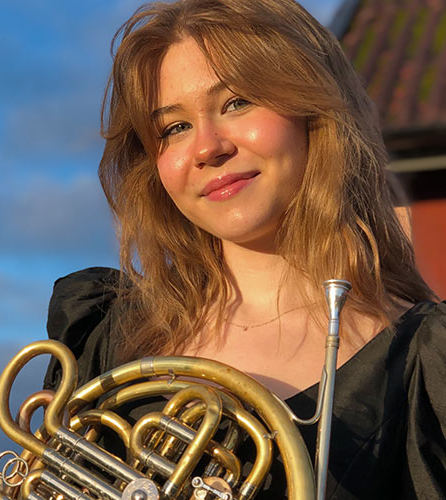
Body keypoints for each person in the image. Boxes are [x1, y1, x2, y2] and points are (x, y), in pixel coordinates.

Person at [44, 0, 446, 498]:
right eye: (174, 128)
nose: (207, 147)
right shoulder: (106, 334)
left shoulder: (425, 365)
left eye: (237, 102)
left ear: (314, 111)